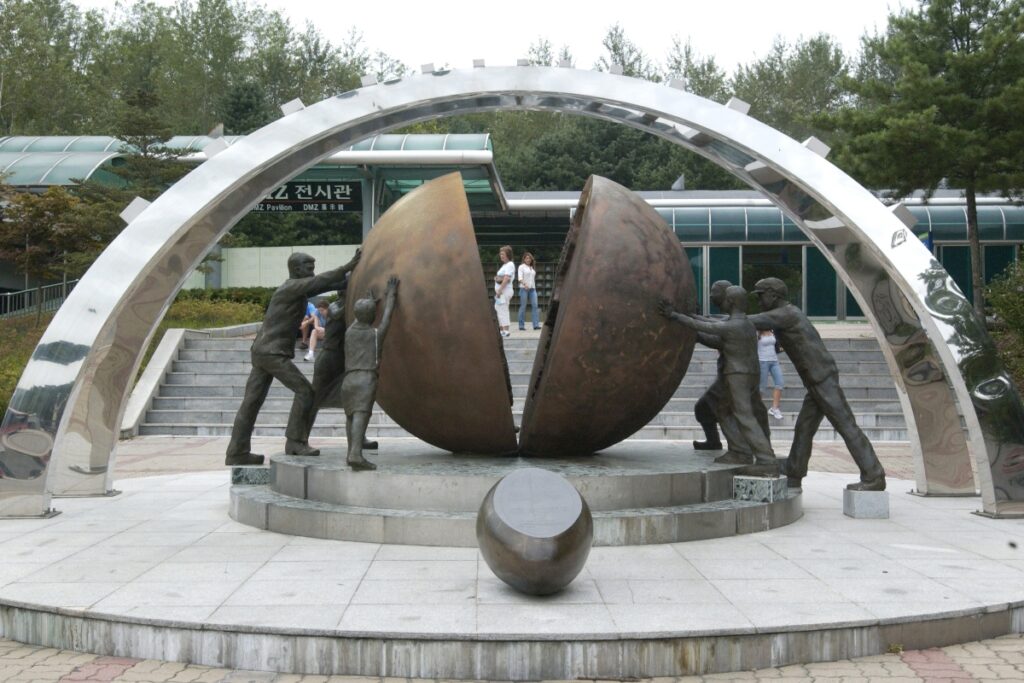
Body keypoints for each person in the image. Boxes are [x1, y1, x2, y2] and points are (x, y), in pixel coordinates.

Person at [749, 277, 886, 491]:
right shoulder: (786, 313)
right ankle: (794, 470)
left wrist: (697, 319)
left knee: (846, 426)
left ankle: (874, 474)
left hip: (821, 378)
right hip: (816, 379)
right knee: (804, 427)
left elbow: (744, 321)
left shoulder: (786, 314)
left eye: (760, 295)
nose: (758, 300)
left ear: (773, 295)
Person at [225, 250, 360, 466]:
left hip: (263, 351)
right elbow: (320, 281)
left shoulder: (297, 289)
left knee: (251, 403)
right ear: (296, 269)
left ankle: (237, 452)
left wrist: (350, 279)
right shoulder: (291, 287)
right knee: (305, 392)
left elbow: (323, 284)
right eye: (308, 268)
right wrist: (347, 266)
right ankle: (295, 442)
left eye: (313, 268)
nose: (312, 272)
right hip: (272, 353)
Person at [660, 286, 779, 477]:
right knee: (723, 409)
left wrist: (674, 315)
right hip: (749, 374)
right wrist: (689, 315)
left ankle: (766, 460)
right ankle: (740, 451)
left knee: (744, 415)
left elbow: (706, 327)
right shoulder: (747, 323)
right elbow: (708, 322)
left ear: (730, 302)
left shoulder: (732, 326)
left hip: (737, 375)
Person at [689, 280, 771, 460]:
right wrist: (694, 318)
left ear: (728, 298)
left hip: (735, 375)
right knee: (706, 408)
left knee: (731, 411)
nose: (711, 296)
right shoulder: (738, 320)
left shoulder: (737, 323)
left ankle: (748, 452)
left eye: (714, 292)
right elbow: (715, 326)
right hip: (741, 374)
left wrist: (687, 321)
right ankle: (718, 443)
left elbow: (717, 335)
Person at [306, 281, 378, 451]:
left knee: (356, 401)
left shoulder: (351, 305)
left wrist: (368, 305)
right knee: (314, 400)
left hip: (344, 360)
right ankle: (301, 438)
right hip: (329, 359)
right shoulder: (335, 306)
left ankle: (358, 439)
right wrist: (361, 304)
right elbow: (341, 314)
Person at [342, 276, 399, 470]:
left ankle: (351, 452)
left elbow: (361, 315)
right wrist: (391, 294)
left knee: (350, 415)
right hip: (365, 378)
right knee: (361, 415)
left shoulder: (349, 332)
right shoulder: (375, 334)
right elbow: (388, 316)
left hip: (348, 378)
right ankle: (356, 454)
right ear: (372, 315)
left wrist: (368, 302)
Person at [758, 329, 785, 419]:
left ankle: (774, 408)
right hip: (762, 361)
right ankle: (756, 409)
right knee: (761, 387)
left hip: (774, 361)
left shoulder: (772, 330)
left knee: (780, 383)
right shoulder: (757, 332)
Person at [494, 245, 515, 338]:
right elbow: (502, 277)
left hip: (504, 291)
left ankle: (505, 330)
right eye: (500, 254)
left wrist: (499, 290)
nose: (501, 255)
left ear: (507, 254)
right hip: (502, 291)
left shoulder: (510, 264)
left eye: (502, 254)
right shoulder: (505, 265)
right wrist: (496, 278)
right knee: (498, 309)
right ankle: (502, 330)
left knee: (503, 309)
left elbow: (506, 278)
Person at [517, 251, 541, 331]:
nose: (528, 259)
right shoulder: (521, 267)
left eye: (529, 258)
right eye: (526, 258)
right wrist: (525, 284)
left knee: (535, 306)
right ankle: (521, 325)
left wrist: (531, 286)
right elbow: (520, 278)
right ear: (524, 259)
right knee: (523, 306)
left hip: (532, 289)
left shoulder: (532, 268)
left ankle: (536, 325)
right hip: (524, 289)